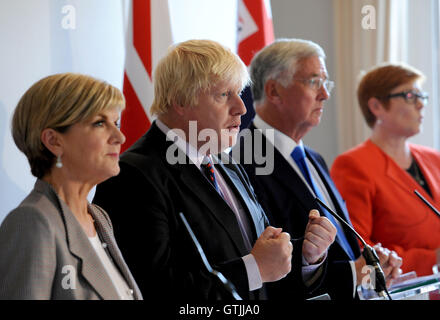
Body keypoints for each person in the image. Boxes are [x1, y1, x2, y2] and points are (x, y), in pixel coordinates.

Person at [93, 39, 336, 300]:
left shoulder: (226, 163)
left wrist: (307, 257)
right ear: (180, 101)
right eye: (224, 95)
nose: (242, 108)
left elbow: (264, 266)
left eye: (239, 93)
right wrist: (253, 269)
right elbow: (154, 288)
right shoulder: (132, 176)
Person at [233, 38, 402, 300]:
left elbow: (343, 254)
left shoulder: (314, 158)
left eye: (326, 83)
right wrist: (353, 272)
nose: (325, 93)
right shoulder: (243, 159)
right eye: (314, 82)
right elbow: (267, 269)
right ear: (274, 91)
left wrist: (372, 268)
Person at [0, 73, 142, 300]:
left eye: (115, 123)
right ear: (54, 141)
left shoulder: (98, 217)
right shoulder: (33, 222)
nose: (120, 137)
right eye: (100, 123)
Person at [331, 63, 440, 277]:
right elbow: (359, 250)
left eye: (422, 96)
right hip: (402, 290)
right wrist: (432, 259)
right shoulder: (353, 165)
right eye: (410, 95)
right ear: (376, 106)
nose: (421, 105)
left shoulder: (434, 159)